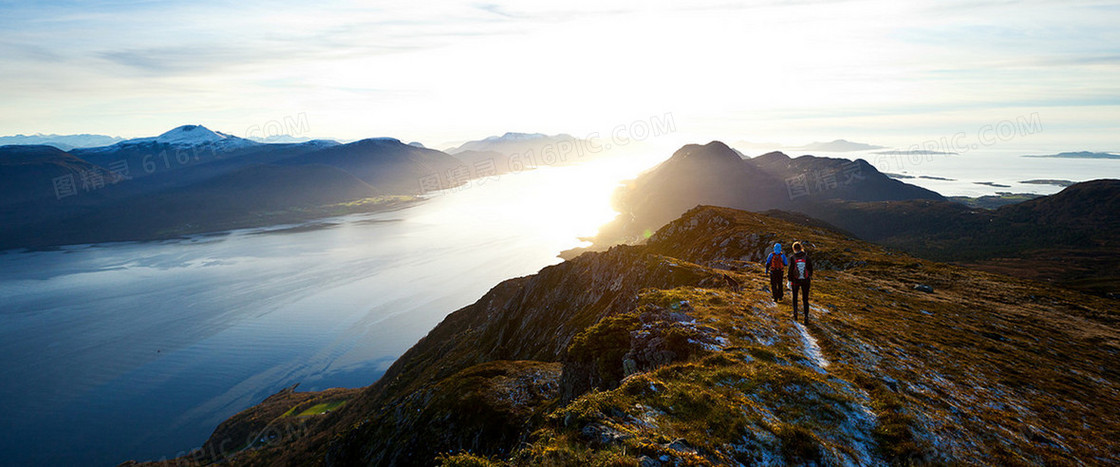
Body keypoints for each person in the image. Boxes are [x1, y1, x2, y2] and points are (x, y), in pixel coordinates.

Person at [787, 241, 814, 324]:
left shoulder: (793, 257)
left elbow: (790, 270)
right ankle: (806, 317)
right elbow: (811, 270)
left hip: (795, 281)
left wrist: (789, 280)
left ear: (794, 249)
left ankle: (795, 314)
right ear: (801, 248)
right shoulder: (807, 257)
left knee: (795, 297)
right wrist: (808, 276)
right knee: (805, 299)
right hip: (805, 281)